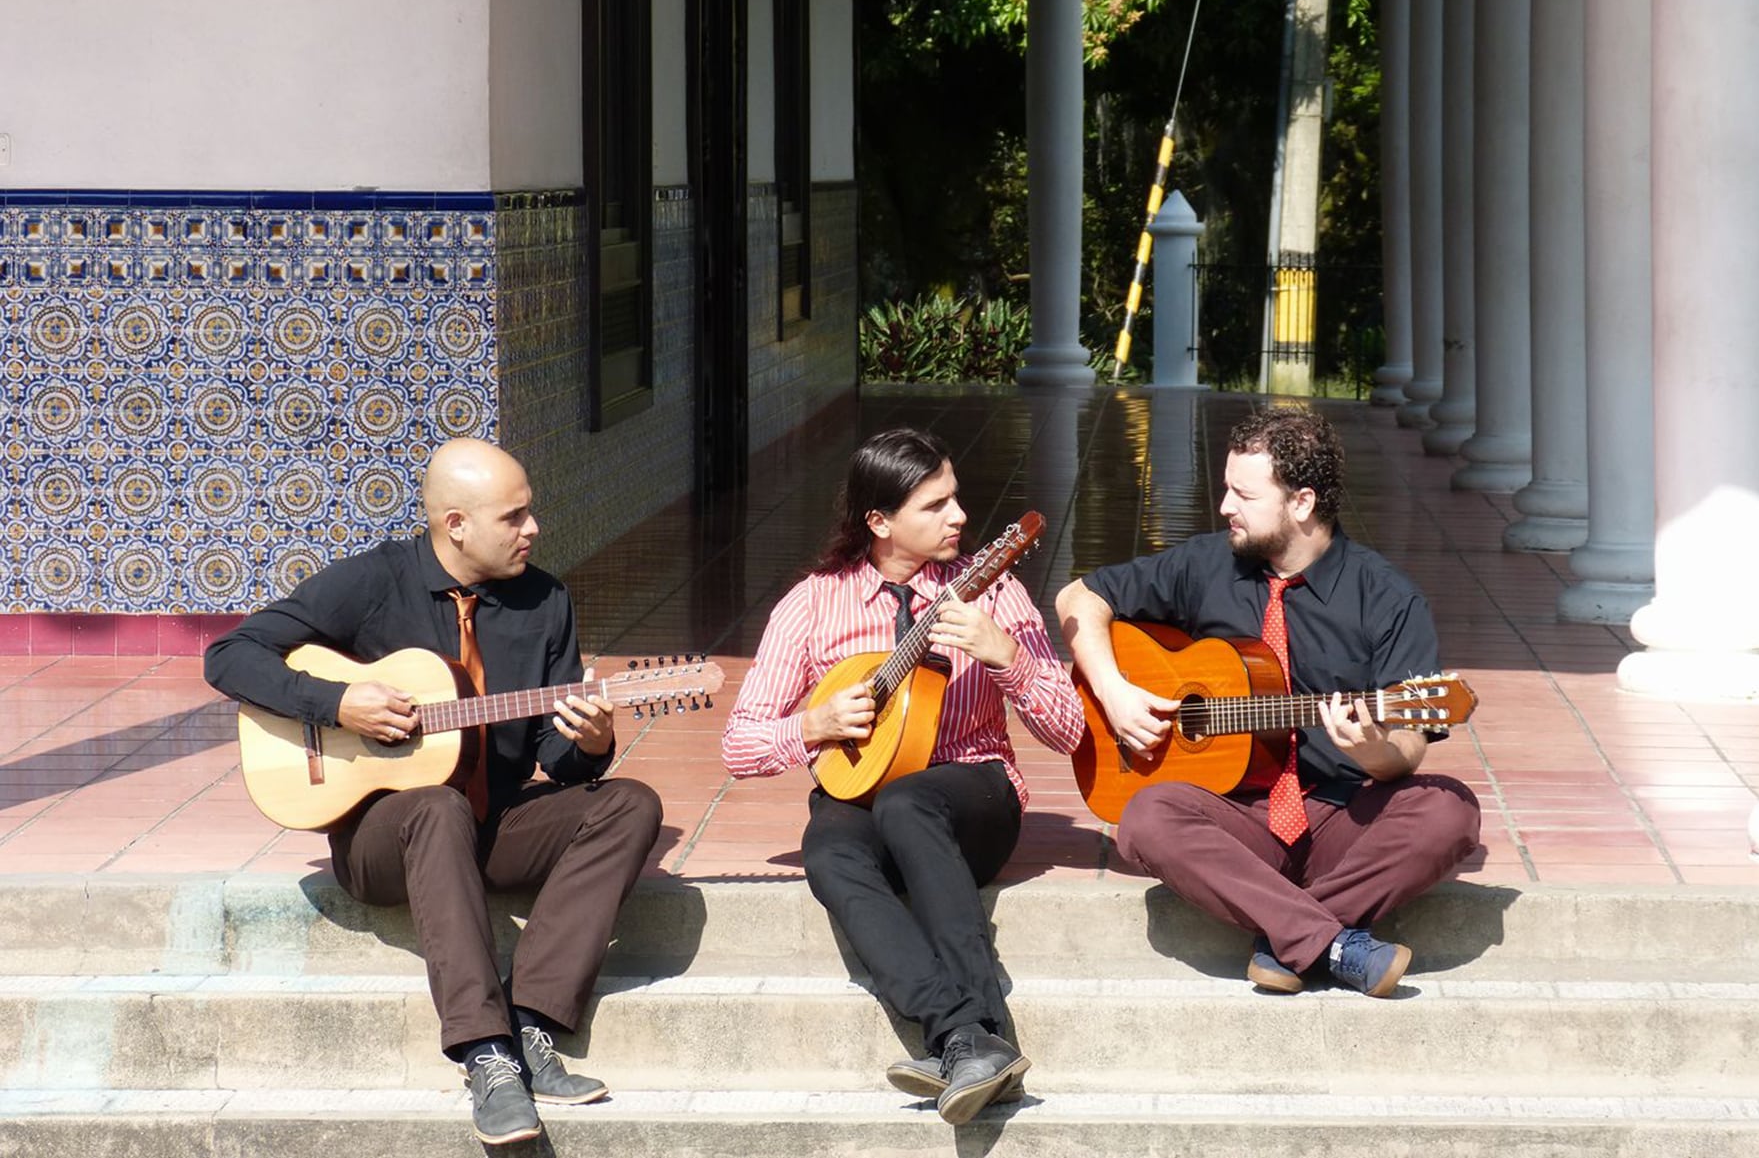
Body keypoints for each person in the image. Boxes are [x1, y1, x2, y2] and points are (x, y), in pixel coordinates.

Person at [205, 438, 663, 1145]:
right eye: (513, 517)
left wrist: (592, 742)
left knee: (631, 803)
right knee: (435, 805)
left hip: (492, 823)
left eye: (529, 511)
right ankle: (485, 1052)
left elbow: (556, 759)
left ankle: (532, 1019)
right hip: (384, 839)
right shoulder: (373, 581)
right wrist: (338, 703)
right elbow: (229, 654)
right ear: (456, 524)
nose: (533, 528)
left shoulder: (546, 601)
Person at [721, 427, 1084, 1124]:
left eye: (956, 498)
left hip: (973, 793)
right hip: (865, 791)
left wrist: (1006, 656)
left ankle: (984, 1028)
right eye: (935, 505)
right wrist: (814, 724)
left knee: (909, 802)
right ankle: (963, 1035)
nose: (959, 516)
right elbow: (739, 745)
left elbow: (1068, 729)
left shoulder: (993, 590)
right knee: (829, 849)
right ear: (879, 521)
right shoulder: (812, 604)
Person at [1056, 407, 1479, 999]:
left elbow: (1407, 750)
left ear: (1302, 503)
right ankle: (1333, 943)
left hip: (1340, 816)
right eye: (1228, 488)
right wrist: (1115, 692)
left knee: (1450, 811)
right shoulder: (1206, 563)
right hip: (1234, 821)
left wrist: (1373, 750)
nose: (1224, 506)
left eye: (1244, 495)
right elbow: (1078, 597)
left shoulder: (1387, 598)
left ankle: (1288, 936)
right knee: (1147, 816)